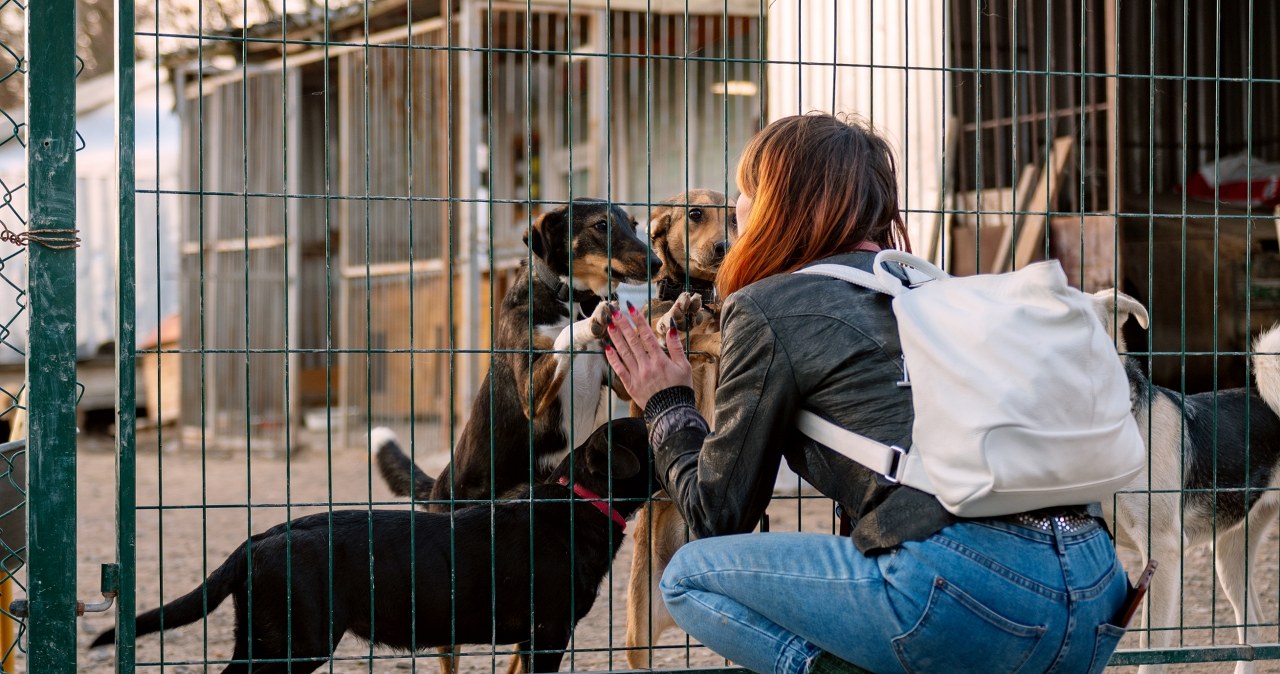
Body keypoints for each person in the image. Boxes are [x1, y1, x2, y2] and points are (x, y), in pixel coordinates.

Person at [601, 113, 1130, 674]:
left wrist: (667, 403)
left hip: (972, 597)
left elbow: (716, 515)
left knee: (687, 577)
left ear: (778, 205)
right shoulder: (930, 288)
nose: (735, 209)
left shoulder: (769, 307)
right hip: (1099, 590)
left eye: (745, 190)